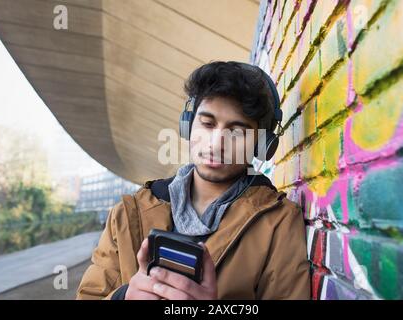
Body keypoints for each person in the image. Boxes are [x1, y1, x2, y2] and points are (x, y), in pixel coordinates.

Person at [76, 61, 310, 300]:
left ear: (262, 145)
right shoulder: (128, 213)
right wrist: (123, 297)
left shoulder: (279, 222)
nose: (216, 143)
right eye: (207, 124)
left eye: (237, 132)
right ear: (188, 125)